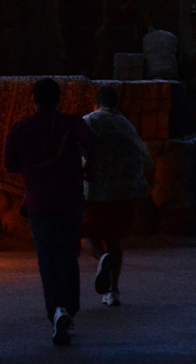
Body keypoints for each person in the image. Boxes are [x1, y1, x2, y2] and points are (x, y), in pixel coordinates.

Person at [4, 78, 96, 346]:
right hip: (69, 200)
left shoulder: (20, 128)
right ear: (58, 99)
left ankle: (56, 311)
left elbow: (10, 164)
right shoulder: (71, 122)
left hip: (39, 202)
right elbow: (92, 140)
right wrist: (87, 165)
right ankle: (69, 308)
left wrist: (35, 169)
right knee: (68, 254)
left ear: (34, 100)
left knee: (46, 258)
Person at [81, 84, 153, 307]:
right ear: (117, 104)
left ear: (96, 103)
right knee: (113, 239)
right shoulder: (127, 125)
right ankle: (113, 292)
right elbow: (147, 159)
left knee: (86, 235)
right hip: (125, 193)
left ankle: (102, 258)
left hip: (96, 192)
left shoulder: (89, 121)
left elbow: (78, 151)